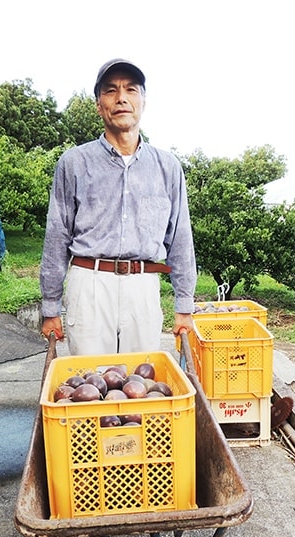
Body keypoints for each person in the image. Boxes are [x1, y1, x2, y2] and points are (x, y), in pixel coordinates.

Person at [40, 58, 196, 354]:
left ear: (143, 101)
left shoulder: (167, 166)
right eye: (111, 90)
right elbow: (57, 235)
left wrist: (184, 305)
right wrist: (50, 307)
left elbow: (180, 239)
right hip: (90, 284)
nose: (121, 98)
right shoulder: (74, 163)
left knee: (141, 379)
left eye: (131, 89)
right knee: (89, 383)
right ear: (99, 105)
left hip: (144, 286)